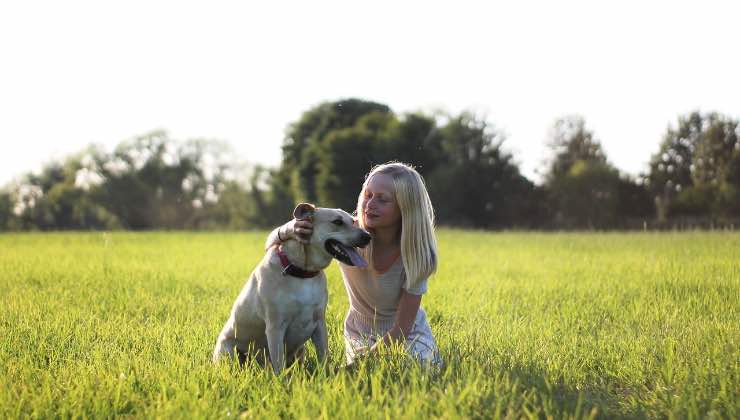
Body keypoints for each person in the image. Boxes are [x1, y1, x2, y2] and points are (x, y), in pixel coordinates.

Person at [265, 162, 442, 367]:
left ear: (405, 208)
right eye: (368, 195)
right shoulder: (347, 232)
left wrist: (355, 367)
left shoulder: (416, 254)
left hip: (408, 334)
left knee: (414, 366)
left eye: (382, 199)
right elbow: (270, 244)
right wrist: (289, 229)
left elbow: (402, 329)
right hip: (361, 333)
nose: (370, 204)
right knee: (372, 372)